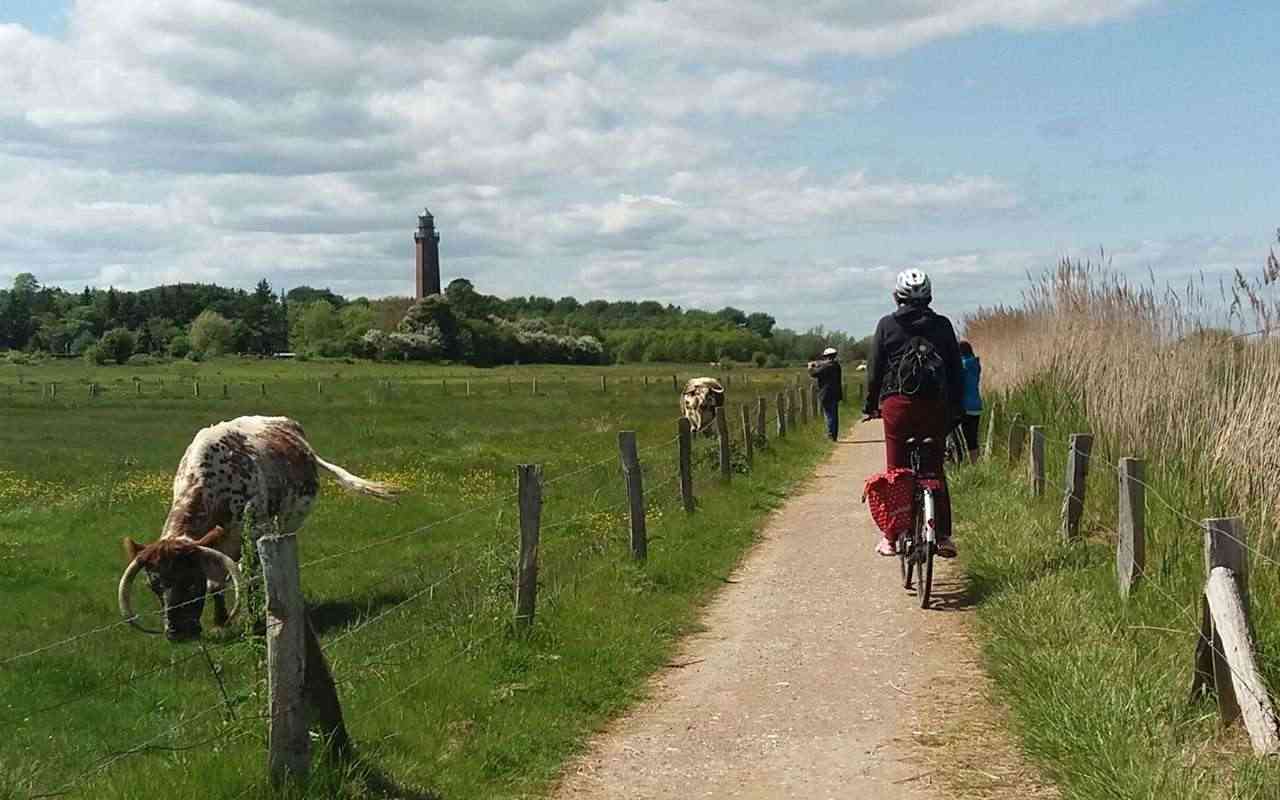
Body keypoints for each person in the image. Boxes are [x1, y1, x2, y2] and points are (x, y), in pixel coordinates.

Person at [862, 268, 963, 558]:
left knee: (897, 471)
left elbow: (875, 371)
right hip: (934, 406)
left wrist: (871, 405)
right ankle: (942, 536)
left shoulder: (887, 325)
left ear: (897, 296)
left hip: (898, 405)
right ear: (929, 296)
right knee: (935, 468)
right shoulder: (943, 325)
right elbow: (955, 371)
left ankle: (892, 537)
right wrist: (955, 408)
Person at [807, 347, 843, 441]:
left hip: (827, 394)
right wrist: (819, 364)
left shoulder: (827, 366)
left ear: (826, 357)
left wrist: (810, 367)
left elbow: (814, 374)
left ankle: (830, 435)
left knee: (829, 415)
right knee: (834, 415)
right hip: (835, 394)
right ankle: (834, 435)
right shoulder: (836, 365)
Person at [959, 340, 982, 463]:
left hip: (965, 406)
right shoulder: (975, 364)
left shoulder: (963, 365)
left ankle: (971, 462)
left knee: (967, 437)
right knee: (973, 437)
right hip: (976, 405)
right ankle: (976, 462)